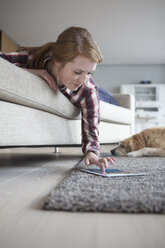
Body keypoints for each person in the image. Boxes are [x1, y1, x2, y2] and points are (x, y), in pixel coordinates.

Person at [0, 26, 115, 172]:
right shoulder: (33, 57)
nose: (84, 80)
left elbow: (91, 127)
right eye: (77, 72)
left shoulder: (88, 88)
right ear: (58, 61)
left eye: (90, 73)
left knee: (106, 96)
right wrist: (31, 72)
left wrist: (92, 153)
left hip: (105, 96)